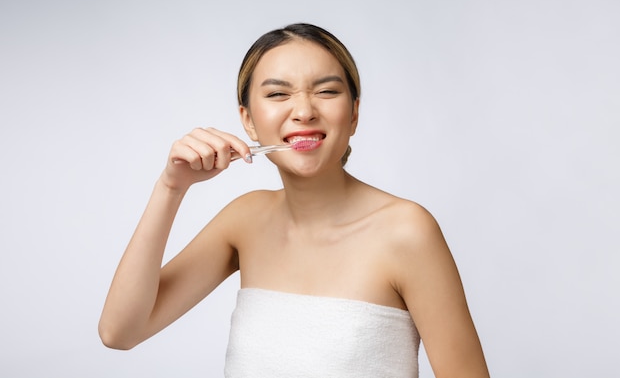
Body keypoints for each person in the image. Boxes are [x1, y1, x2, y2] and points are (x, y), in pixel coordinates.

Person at [99, 23, 490, 377]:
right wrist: (171, 187)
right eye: (278, 93)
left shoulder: (406, 231)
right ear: (248, 119)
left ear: (354, 114)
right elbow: (120, 331)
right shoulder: (245, 220)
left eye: (327, 91)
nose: (303, 111)